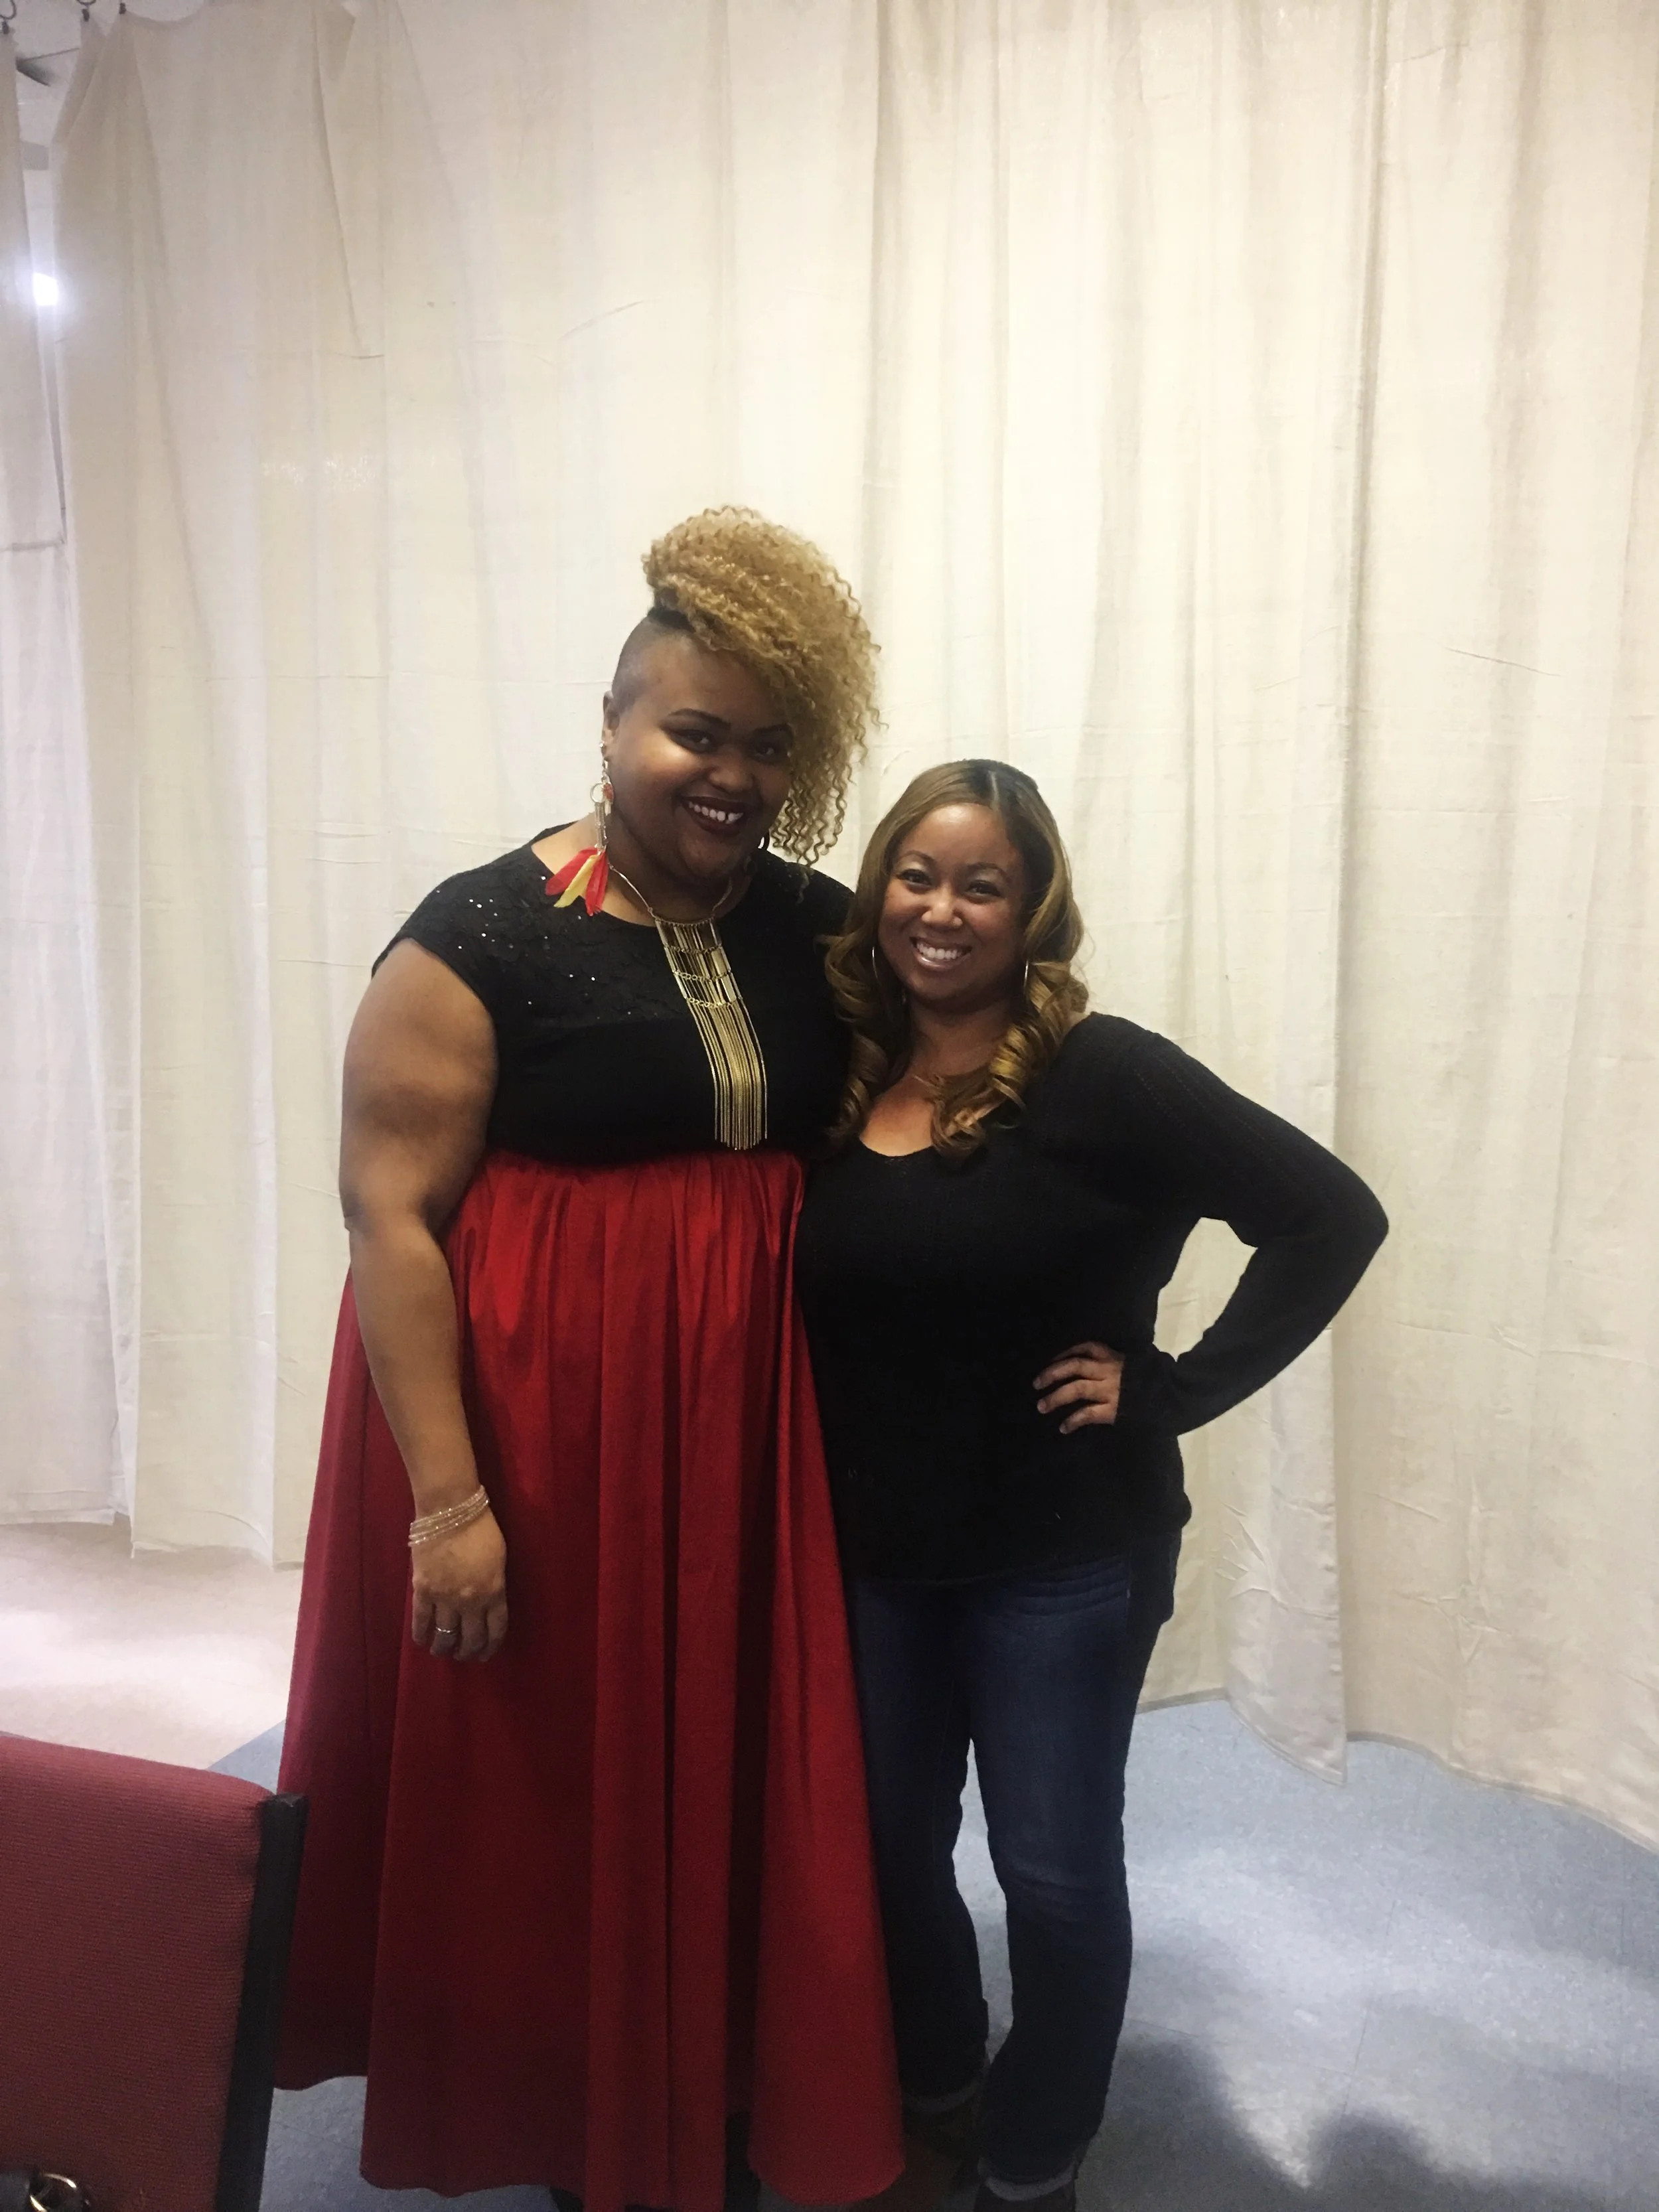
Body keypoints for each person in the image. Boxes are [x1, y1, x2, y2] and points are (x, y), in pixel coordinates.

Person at [275, 510, 903, 2212]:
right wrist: (449, 1504)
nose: (732, 775)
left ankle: (720, 2084)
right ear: (613, 720)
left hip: (745, 1437)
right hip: (546, 1442)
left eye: (766, 746)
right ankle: (583, 2127)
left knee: (738, 1771)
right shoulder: (475, 937)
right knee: (562, 1793)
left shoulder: (814, 927)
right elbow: (391, 1219)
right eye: (696, 732)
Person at [794, 761, 1388, 2212]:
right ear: (878, 888)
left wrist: (1172, 1387)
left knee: (1051, 1870)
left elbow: (1328, 1215)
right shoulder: (840, 1069)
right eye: (916, 876)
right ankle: (938, 2083)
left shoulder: (1104, 1074)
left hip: (1061, 1551)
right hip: (872, 1553)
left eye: (980, 885)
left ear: (1032, 911)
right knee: (885, 1850)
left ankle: (1033, 2152)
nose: (940, 911)